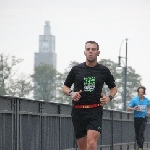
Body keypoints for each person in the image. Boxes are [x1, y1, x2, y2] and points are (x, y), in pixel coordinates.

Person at [62, 41, 117, 150]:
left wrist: (108, 98)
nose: (90, 51)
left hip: (95, 110)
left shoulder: (103, 70)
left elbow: (114, 88)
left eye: (93, 49)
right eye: (88, 49)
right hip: (78, 111)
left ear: (98, 52)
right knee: (83, 147)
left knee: (91, 143)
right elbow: (65, 87)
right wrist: (72, 93)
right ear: (84, 52)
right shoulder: (76, 69)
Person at [127, 86, 150, 150]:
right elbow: (128, 108)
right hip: (136, 118)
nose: (140, 93)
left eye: (142, 92)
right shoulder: (134, 100)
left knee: (141, 132)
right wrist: (133, 108)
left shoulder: (147, 100)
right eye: (139, 92)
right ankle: (140, 145)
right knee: (137, 134)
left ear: (144, 93)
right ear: (138, 92)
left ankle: (140, 147)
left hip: (144, 118)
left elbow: (149, 107)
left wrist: (148, 111)